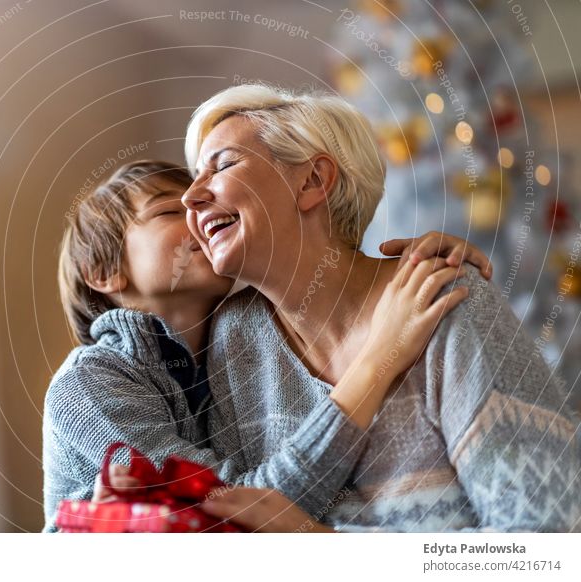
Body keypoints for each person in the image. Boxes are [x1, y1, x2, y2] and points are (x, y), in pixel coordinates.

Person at [161, 83, 581, 532]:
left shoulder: (444, 298)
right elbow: (241, 527)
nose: (190, 197)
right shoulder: (236, 337)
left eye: (222, 165)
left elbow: (546, 538)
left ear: (312, 181)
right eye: (194, 178)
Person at [43, 158, 488, 532]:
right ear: (103, 272)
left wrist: (409, 266)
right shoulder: (88, 383)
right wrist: (379, 359)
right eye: (167, 212)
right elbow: (238, 515)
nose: (198, 216)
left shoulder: (235, 345)